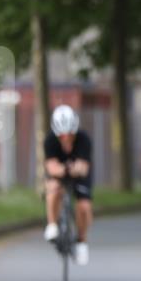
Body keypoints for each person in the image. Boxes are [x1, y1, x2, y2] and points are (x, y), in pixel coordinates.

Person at [43, 105, 93, 266]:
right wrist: (63, 169)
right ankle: (52, 225)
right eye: (62, 135)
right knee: (53, 188)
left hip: (80, 175)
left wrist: (76, 169)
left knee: (84, 206)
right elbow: (51, 166)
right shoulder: (50, 140)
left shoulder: (84, 139)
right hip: (60, 173)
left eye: (69, 134)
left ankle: (82, 241)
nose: (66, 138)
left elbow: (84, 168)